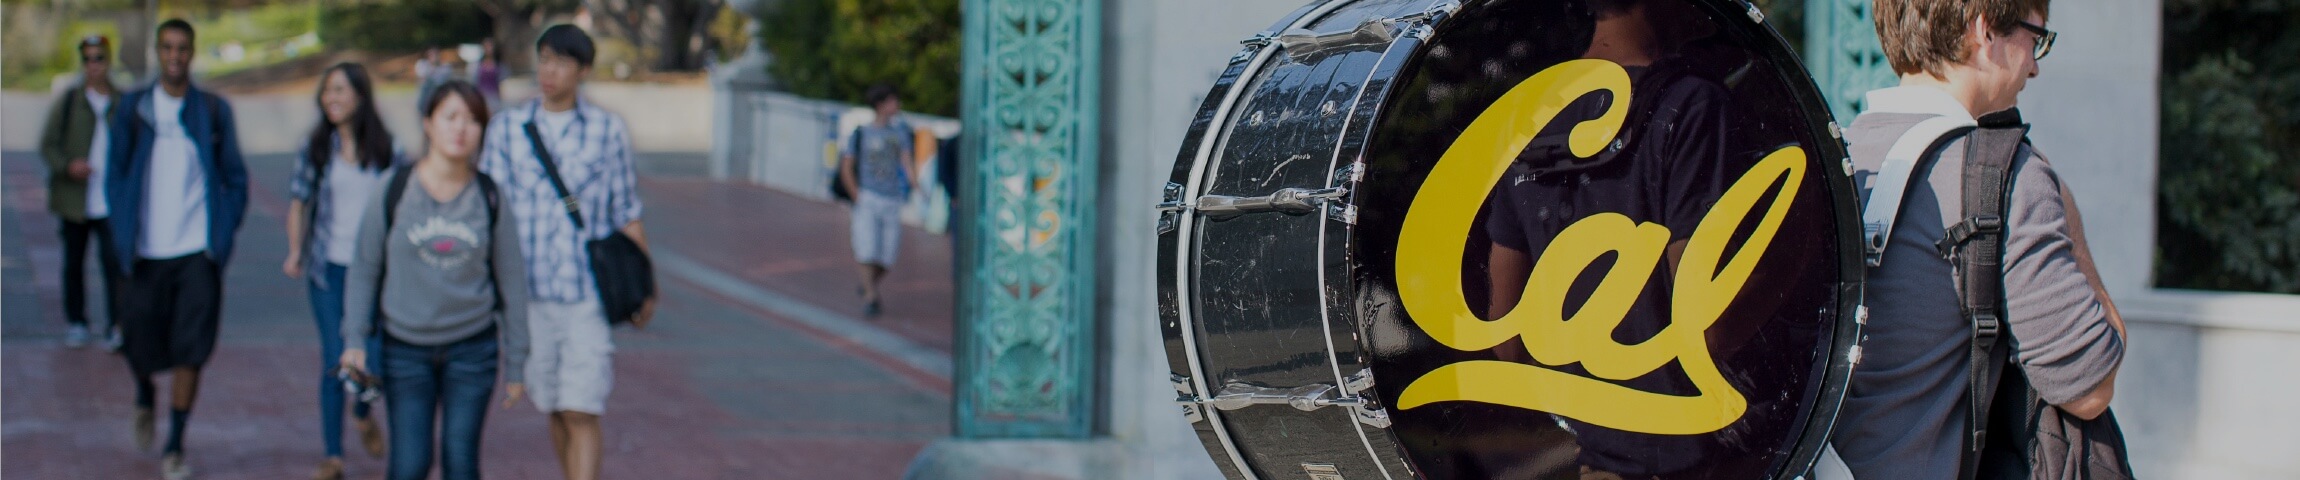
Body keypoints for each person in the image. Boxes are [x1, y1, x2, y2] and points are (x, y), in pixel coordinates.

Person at [1831, 0, 2127, 479]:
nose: (2033, 65)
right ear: (1984, 31)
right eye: (2037, 39)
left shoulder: (1832, 158)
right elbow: (2089, 386)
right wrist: (2060, 202)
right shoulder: (2009, 174)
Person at [477, 25, 654, 480]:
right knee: (554, 405)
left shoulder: (606, 131)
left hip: (587, 294)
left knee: (583, 408)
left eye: (560, 62)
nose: (548, 71)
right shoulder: (508, 130)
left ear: (583, 70)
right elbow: (487, 209)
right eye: (544, 59)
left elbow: (626, 211)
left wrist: (645, 287)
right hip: (530, 294)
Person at [340, 80, 529, 480]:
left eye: (473, 120)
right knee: (410, 464)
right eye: (451, 117)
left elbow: (512, 281)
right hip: (405, 349)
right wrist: (354, 338)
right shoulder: (394, 189)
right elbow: (365, 268)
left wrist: (516, 362)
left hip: (472, 349)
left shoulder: (490, 196)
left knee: (461, 464)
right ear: (428, 123)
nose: (461, 128)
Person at [104, 19, 251, 480]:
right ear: (156, 51)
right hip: (145, 253)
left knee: (192, 350)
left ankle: (175, 444)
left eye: (182, 48)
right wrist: (122, 227)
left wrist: (220, 235)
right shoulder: (133, 109)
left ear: (192, 53)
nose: (174, 56)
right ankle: (145, 394)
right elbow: (115, 174)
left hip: (196, 254)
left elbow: (235, 178)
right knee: (137, 343)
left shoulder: (211, 110)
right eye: (167, 47)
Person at [284, 62, 397, 480]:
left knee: (376, 362)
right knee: (336, 359)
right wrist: (296, 250)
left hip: (377, 275)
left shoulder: (388, 149)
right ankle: (333, 455)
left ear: (360, 97)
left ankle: (364, 413)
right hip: (328, 272)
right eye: (327, 91)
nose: (331, 98)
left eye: (340, 90)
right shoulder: (316, 147)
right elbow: (298, 202)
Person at [39, 34, 125, 350]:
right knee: (74, 263)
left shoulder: (122, 101)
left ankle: (116, 325)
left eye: (99, 58)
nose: (93, 65)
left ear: (108, 61)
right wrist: (67, 165)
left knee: (114, 264)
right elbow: (47, 146)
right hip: (75, 198)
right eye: (87, 59)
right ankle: (77, 321)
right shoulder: (69, 100)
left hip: (110, 200)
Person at [838, 84, 918, 318]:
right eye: (893, 101)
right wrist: (857, 194)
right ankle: (871, 297)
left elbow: (906, 160)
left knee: (888, 255)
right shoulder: (861, 133)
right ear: (881, 105)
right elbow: (847, 166)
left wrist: (916, 186)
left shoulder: (900, 132)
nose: (897, 106)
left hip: (892, 198)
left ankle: (868, 284)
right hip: (869, 197)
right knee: (867, 247)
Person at [474, 39, 504, 109]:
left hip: (495, 97)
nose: (489, 49)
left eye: (490, 46)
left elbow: (501, 83)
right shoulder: (477, 65)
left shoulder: (499, 65)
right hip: (482, 97)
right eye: (487, 46)